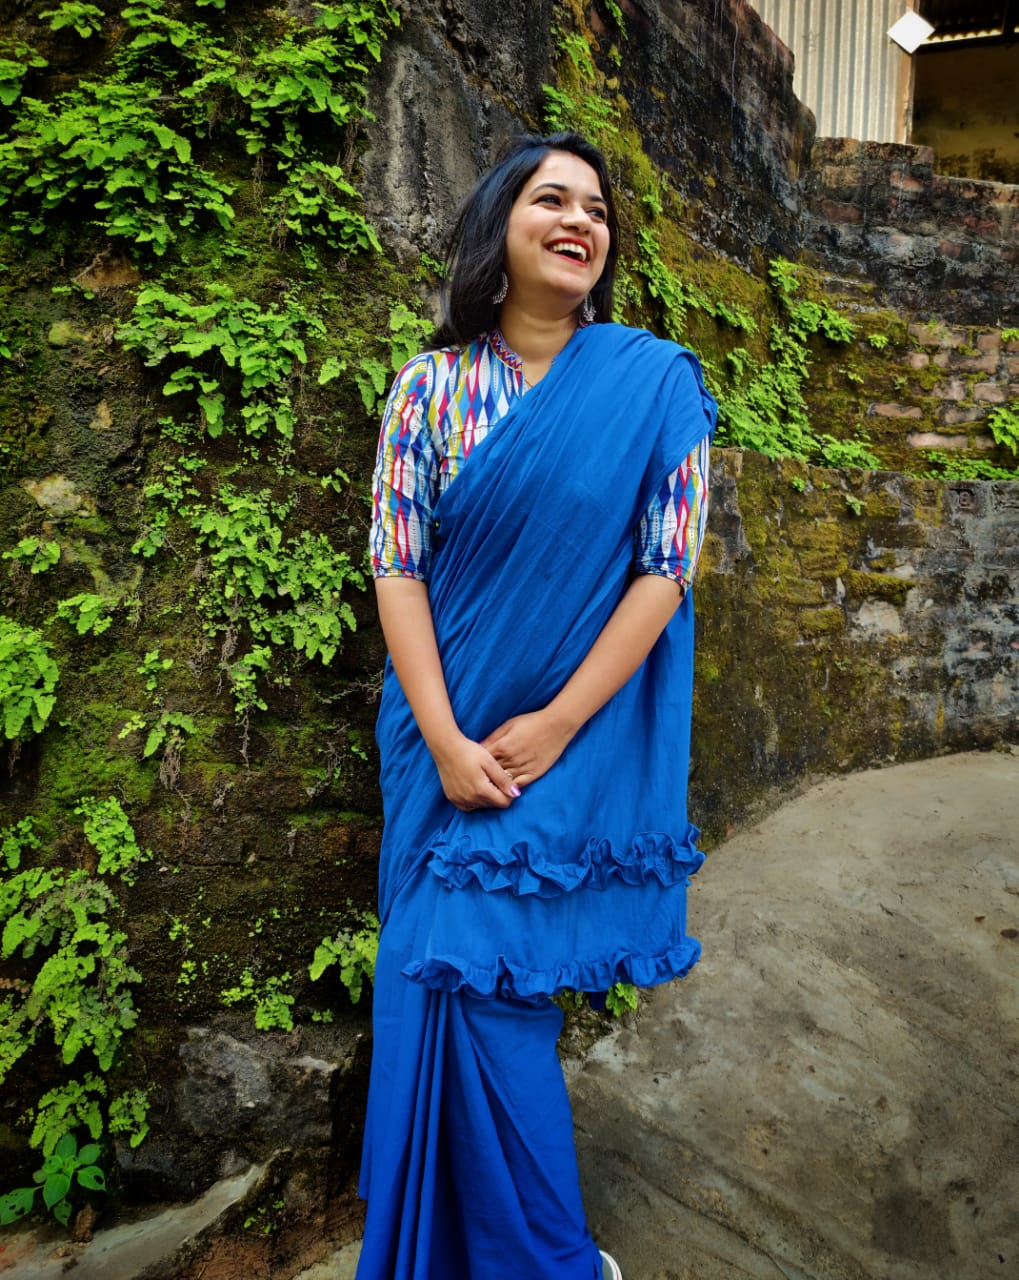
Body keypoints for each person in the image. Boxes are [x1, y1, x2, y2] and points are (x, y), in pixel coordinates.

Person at [360, 131, 716, 1280]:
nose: (580, 219)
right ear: (497, 230)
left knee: (489, 973)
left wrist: (556, 722)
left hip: (569, 738)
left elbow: (667, 570)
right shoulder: (432, 384)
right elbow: (394, 562)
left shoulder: (653, 383)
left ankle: (544, 1257)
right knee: (435, 973)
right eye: (550, 198)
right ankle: (470, 1246)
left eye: (596, 208)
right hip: (438, 735)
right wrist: (444, 735)